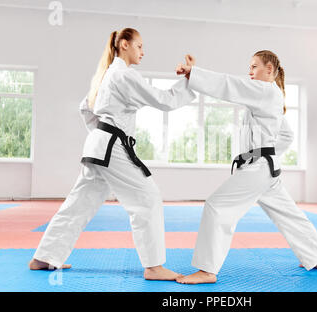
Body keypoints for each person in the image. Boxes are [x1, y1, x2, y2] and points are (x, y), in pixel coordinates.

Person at [29, 28, 196, 281]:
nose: (143, 51)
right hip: (111, 148)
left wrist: (99, 135)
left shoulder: (107, 74)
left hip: (97, 146)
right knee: (147, 198)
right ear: (125, 45)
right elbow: (164, 100)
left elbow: (84, 108)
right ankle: (154, 266)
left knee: (78, 204)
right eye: (139, 46)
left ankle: (44, 256)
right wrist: (189, 79)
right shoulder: (125, 75)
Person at [175, 51, 317, 284]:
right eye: (249, 67)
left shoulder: (265, 91)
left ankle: (207, 270)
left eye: (254, 67)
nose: (249, 72)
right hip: (265, 169)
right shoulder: (269, 96)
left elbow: (229, 85)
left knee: (216, 206)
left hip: (259, 168)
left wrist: (194, 74)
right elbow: (287, 135)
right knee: (289, 214)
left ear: (269, 69)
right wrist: (268, 153)